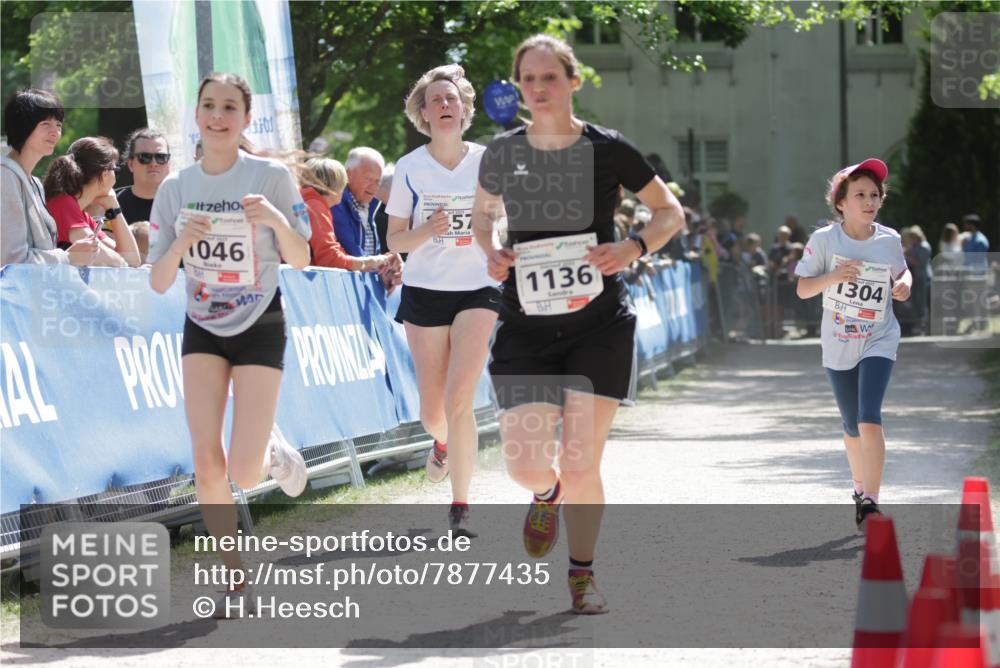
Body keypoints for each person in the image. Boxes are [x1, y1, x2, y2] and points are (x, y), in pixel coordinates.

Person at [471, 34, 685, 614]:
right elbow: (483, 217)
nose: (538, 89)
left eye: (550, 77)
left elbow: (670, 213)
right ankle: (546, 494)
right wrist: (491, 249)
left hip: (598, 325)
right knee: (524, 465)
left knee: (581, 459)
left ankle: (582, 575)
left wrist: (632, 246)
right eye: (528, 79)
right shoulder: (503, 152)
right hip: (526, 325)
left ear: (574, 82)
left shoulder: (607, 148)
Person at [147, 72, 312, 619]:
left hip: (260, 322)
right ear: (197, 114)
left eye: (229, 108)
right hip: (202, 326)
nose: (217, 117)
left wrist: (274, 220)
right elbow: (159, 280)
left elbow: (302, 257)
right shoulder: (175, 188)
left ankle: (270, 451)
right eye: (209, 106)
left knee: (243, 473)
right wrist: (182, 245)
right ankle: (235, 577)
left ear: (245, 118)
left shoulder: (270, 177)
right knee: (206, 461)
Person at [385, 64, 501, 538]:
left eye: (452, 98)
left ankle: (461, 507)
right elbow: (395, 240)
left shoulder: (488, 161)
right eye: (436, 100)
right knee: (434, 413)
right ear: (424, 113)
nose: (445, 105)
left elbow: (505, 220)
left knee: (459, 399)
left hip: (479, 287)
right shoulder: (410, 167)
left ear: (465, 109)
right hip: (426, 290)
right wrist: (427, 230)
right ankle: (442, 443)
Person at [794, 158, 911, 528]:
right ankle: (859, 487)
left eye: (875, 195)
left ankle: (872, 502)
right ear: (841, 202)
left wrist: (905, 284)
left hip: (879, 336)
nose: (869, 201)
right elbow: (802, 289)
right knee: (851, 426)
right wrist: (833, 276)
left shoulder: (889, 239)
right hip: (839, 343)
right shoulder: (824, 240)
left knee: (868, 417)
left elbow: (903, 271)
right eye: (860, 194)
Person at [1, 89, 101, 266]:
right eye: (45, 124)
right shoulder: (5, 177)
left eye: (58, 125)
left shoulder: (35, 183)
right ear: (22, 127)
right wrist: (68, 258)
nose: (55, 132)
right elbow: (11, 259)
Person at [43, 136, 141, 267]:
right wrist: (124, 264)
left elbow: (133, 260)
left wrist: (114, 208)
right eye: (116, 170)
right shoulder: (63, 203)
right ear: (105, 173)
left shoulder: (83, 216)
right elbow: (109, 259)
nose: (116, 178)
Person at [299, 156, 395, 272]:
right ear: (336, 187)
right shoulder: (316, 208)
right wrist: (370, 262)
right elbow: (329, 258)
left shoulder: (306, 202)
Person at [332, 147, 403, 292]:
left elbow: (369, 258)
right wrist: (384, 264)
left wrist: (389, 267)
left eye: (378, 181)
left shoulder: (369, 206)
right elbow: (354, 255)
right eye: (368, 179)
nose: (374, 187)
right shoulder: (336, 205)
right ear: (348, 174)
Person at [117, 128, 170, 225]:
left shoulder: (184, 201)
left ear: (169, 162)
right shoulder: (113, 205)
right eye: (145, 157)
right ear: (131, 164)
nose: (154, 163)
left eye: (161, 157)